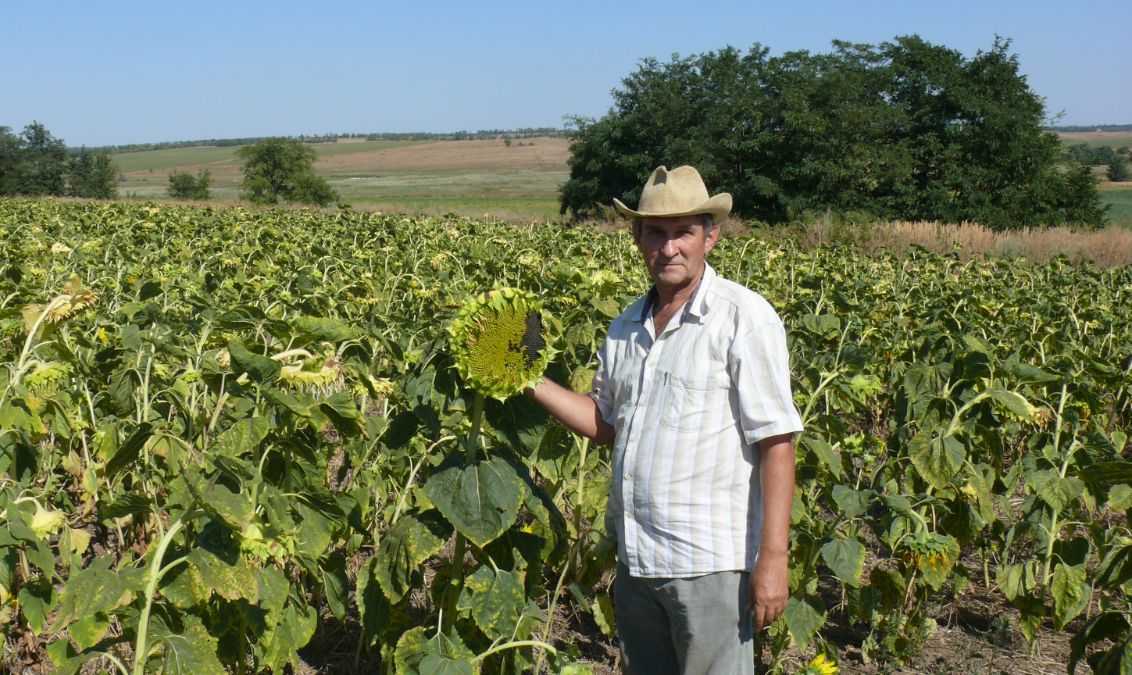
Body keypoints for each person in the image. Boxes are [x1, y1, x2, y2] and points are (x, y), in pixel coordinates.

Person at [527, 165, 803, 674]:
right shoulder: (624, 326)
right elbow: (604, 423)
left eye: (684, 232)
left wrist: (773, 558)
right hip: (637, 562)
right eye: (656, 232)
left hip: (709, 564)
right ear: (636, 238)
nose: (669, 247)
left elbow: (777, 442)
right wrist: (526, 379)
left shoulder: (743, 317)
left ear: (710, 236)